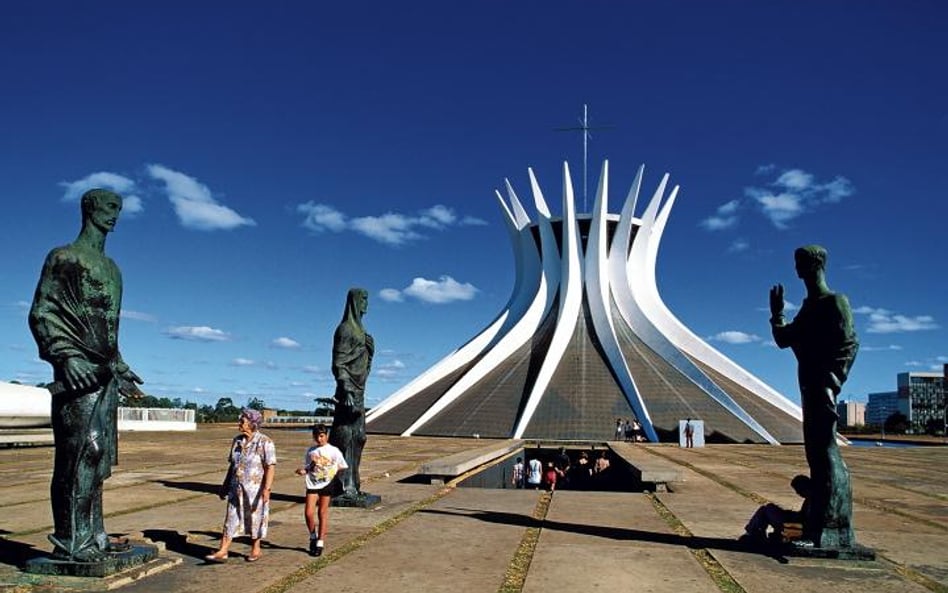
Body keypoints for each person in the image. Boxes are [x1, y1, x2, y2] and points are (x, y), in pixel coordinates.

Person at [29, 188, 144, 562]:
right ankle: (70, 539)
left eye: (119, 209)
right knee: (78, 455)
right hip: (77, 375)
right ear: (89, 208)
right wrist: (65, 356)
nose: (115, 215)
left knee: (96, 459)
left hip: (104, 376)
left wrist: (121, 366)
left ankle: (94, 536)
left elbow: (107, 329)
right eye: (109, 207)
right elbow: (42, 313)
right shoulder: (64, 257)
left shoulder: (113, 270)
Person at [771, 245, 859, 548]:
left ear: (816, 265)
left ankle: (831, 529)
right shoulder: (808, 307)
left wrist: (831, 380)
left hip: (821, 386)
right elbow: (785, 340)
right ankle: (820, 523)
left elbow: (849, 343)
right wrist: (777, 314)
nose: (797, 270)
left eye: (801, 263)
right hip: (809, 386)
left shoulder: (835, 302)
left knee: (825, 452)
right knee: (816, 454)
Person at [206, 409, 276, 563]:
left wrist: (267, 489)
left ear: (252, 424)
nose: (239, 423)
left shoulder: (265, 442)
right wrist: (224, 486)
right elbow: (232, 466)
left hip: (255, 490)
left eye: (242, 421)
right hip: (236, 488)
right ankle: (223, 550)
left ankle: (256, 549)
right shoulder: (237, 441)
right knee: (231, 517)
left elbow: (270, 466)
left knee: (255, 518)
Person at [329, 288, 374, 500]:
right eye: (363, 300)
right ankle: (342, 487)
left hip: (359, 390)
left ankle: (354, 484)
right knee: (345, 437)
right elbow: (338, 363)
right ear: (354, 302)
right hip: (348, 393)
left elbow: (364, 365)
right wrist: (345, 388)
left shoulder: (361, 332)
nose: (366, 304)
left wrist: (369, 350)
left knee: (360, 438)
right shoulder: (346, 330)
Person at [295, 424, 347, 557]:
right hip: (312, 483)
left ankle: (320, 542)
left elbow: (342, 465)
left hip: (327, 483)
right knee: (308, 513)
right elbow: (309, 466)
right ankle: (313, 536)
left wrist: (332, 470)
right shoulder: (311, 451)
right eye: (317, 436)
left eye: (322, 436)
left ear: (326, 436)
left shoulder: (333, 450)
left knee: (322, 512)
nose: (319, 439)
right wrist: (303, 470)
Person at [742, 475, 811, 543]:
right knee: (767, 508)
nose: (798, 493)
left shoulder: (812, 500)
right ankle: (755, 532)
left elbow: (805, 517)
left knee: (767, 509)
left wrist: (791, 516)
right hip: (795, 520)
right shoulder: (809, 499)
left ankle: (754, 532)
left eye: (798, 490)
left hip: (796, 524)